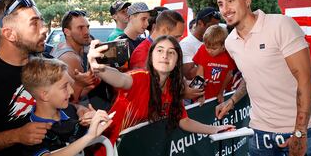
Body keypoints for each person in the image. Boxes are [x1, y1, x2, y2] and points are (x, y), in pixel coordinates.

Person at [213, 0, 311, 156]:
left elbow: (305, 79)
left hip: (295, 130)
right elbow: (250, 76)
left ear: (247, 0)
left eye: (230, 1)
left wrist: (300, 132)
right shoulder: (230, 42)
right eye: (221, 4)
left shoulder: (281, 25)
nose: (225, 9)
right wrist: (232, 101)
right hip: (259, 132)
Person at [87, 35, 235, 146]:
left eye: (171, 52)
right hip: (110, 150)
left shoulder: (173, 87)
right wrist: (99, 68)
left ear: (177, 60)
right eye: (160, 50)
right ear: (151, 57)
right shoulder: (140, 78)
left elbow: (184, 121)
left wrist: (215, 129)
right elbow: (120, 79)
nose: (165, 55)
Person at [0, 0, 52, 156]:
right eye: (34, 24)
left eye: (41, 21)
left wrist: (79, 111)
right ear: (10, 34)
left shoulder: (46, 63)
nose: (44, 29)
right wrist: (16, 136)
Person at [21, 57, 112, 156]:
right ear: (45, 95)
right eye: (65, 87)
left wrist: (94, 124)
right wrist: (89, 136)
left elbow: (90, 148)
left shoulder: (69, 110)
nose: (72, 91)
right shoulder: (31, 131)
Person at [51, 10, 99, 104]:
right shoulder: (70, 58)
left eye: (87, 27)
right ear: (67, 32)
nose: (86, 32)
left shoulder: (63, 46)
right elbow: (73, 98)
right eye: (80, 28)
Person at [192, 25, 236, 104]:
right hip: (203, 94)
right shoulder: (202, 49)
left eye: (214, 48)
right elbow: (199, 74)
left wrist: (221, 93)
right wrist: (198, 94)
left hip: (220, 94)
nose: (209, 51)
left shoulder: (229, 53)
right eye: (207, 47)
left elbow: (229, 75)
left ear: (223, 45)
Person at [180, 7, 221, 80]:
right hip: (198, 90)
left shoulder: (217, 40)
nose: (214, 30)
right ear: (200, 23)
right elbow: (189, 74)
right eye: (211, 26)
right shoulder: (186, 44)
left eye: (217, 26)